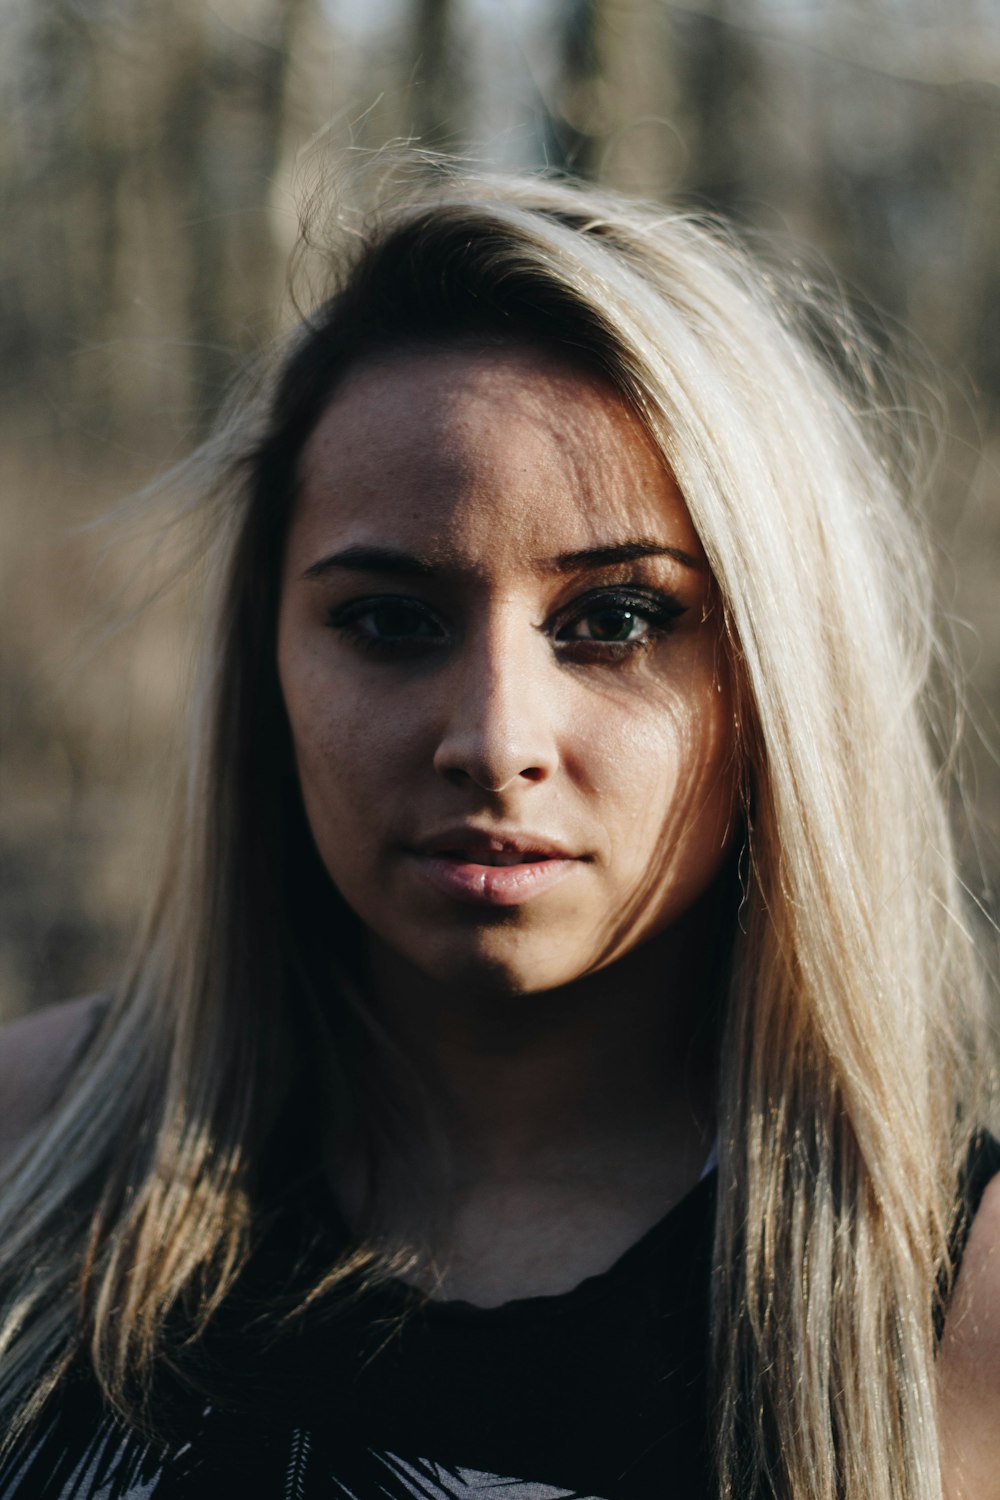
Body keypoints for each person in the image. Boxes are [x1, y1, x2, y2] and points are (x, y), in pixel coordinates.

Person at [0, 168, 997, 1500]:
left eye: (620, 620)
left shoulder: (964, 1314)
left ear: (780, 675)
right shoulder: (24, 1153)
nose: (492, 736)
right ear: (267, 664)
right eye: (391, 620)